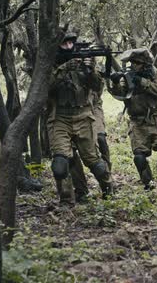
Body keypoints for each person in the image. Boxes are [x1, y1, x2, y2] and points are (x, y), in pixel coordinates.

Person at [47, 31, 113, 204]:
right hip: (60, 117)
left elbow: (98, 87)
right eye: (64, 44)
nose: (69, 47)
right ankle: (66, 200)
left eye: (71, 43)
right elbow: (46, 88)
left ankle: (108, 188)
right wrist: (64, 68)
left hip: (83, 116)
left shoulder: (82, 61)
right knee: (60, 163)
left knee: (94, 162)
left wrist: (89, 70)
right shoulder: (50, 63)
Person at [108, 48, 157, 190]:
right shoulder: (128, 75)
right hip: (137, 122)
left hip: (155, 119)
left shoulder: (153, 73)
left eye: (137, 62)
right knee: (139, 156)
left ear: (143, 63)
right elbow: (121, 94)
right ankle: (147, 183)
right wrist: (116, 83)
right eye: (132, 62)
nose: (134, 65)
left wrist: (142, 81)